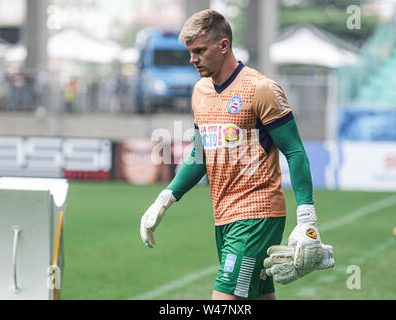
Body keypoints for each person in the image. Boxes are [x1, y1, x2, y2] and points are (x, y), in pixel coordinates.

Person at [140, 9, 327, 300]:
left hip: (257, 215)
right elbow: (198, 156)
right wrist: (165, 198)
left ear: (224, 45)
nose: (192, 59)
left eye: (200, 50)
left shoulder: (261, 89)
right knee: (259, 297)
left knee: (225, 301)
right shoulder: (200, 91)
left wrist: (307, 218)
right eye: (190, 52)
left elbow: (295, 151)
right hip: (224, 218)